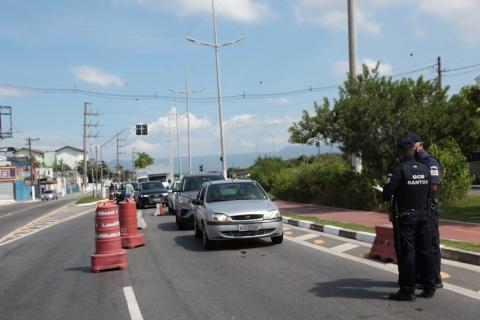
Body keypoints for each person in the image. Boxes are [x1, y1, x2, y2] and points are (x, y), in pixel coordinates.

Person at [383, 137, 436, 301]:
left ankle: (407, 290)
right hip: (425, 216)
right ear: (414, 150)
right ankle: (429, 287)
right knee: (425, 251)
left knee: (407, 252)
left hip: (406, 218)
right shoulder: (425, 169)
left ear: (400, 153)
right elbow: (431, 193)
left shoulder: (399, 170)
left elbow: (386, 194)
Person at [405, 132, 443, 288]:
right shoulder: (411, 162)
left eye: (412, 146)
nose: (410, 149)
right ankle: (423, 277)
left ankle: (435, 278)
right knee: (420, 245)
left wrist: (415, 188)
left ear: (419, 145)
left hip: (428, 208)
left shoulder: (430, 162)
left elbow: (433, 185)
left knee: (431, 244)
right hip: (417, 210)